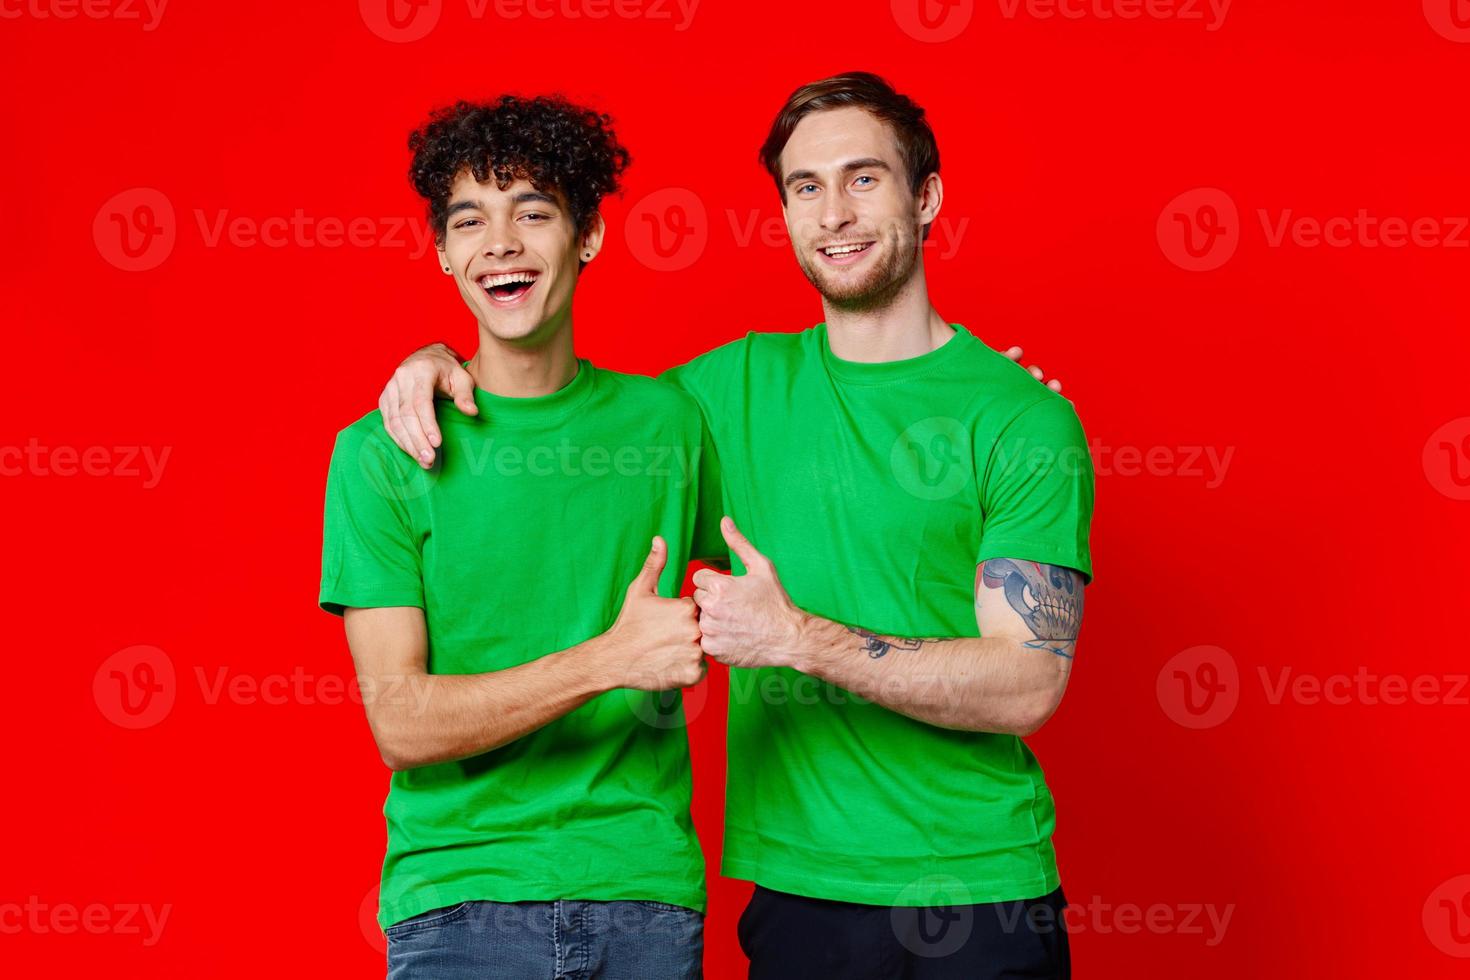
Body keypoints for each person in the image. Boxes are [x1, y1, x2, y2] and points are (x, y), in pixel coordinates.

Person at [376, 73, 1092, 979]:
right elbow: (553, 405)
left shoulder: (1023, 419)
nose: (834, 212)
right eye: (806, 187)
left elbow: (1029, 683)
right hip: (799, 899)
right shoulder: (714, 403)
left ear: (928, 196)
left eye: (864, 179)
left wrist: (800, 640)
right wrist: (433, 357)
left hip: (985, 888)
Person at [320, 95, 712, 979]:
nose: (500, 242)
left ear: (590, 236)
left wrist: (994, 401)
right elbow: (402, 724)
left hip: (642, 897)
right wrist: (610, 659)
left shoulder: (674, 422)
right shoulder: (383, 454)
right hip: (460, 904)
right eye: (471, 221)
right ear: (445, 254)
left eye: (532, 212)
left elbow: (837, 493)